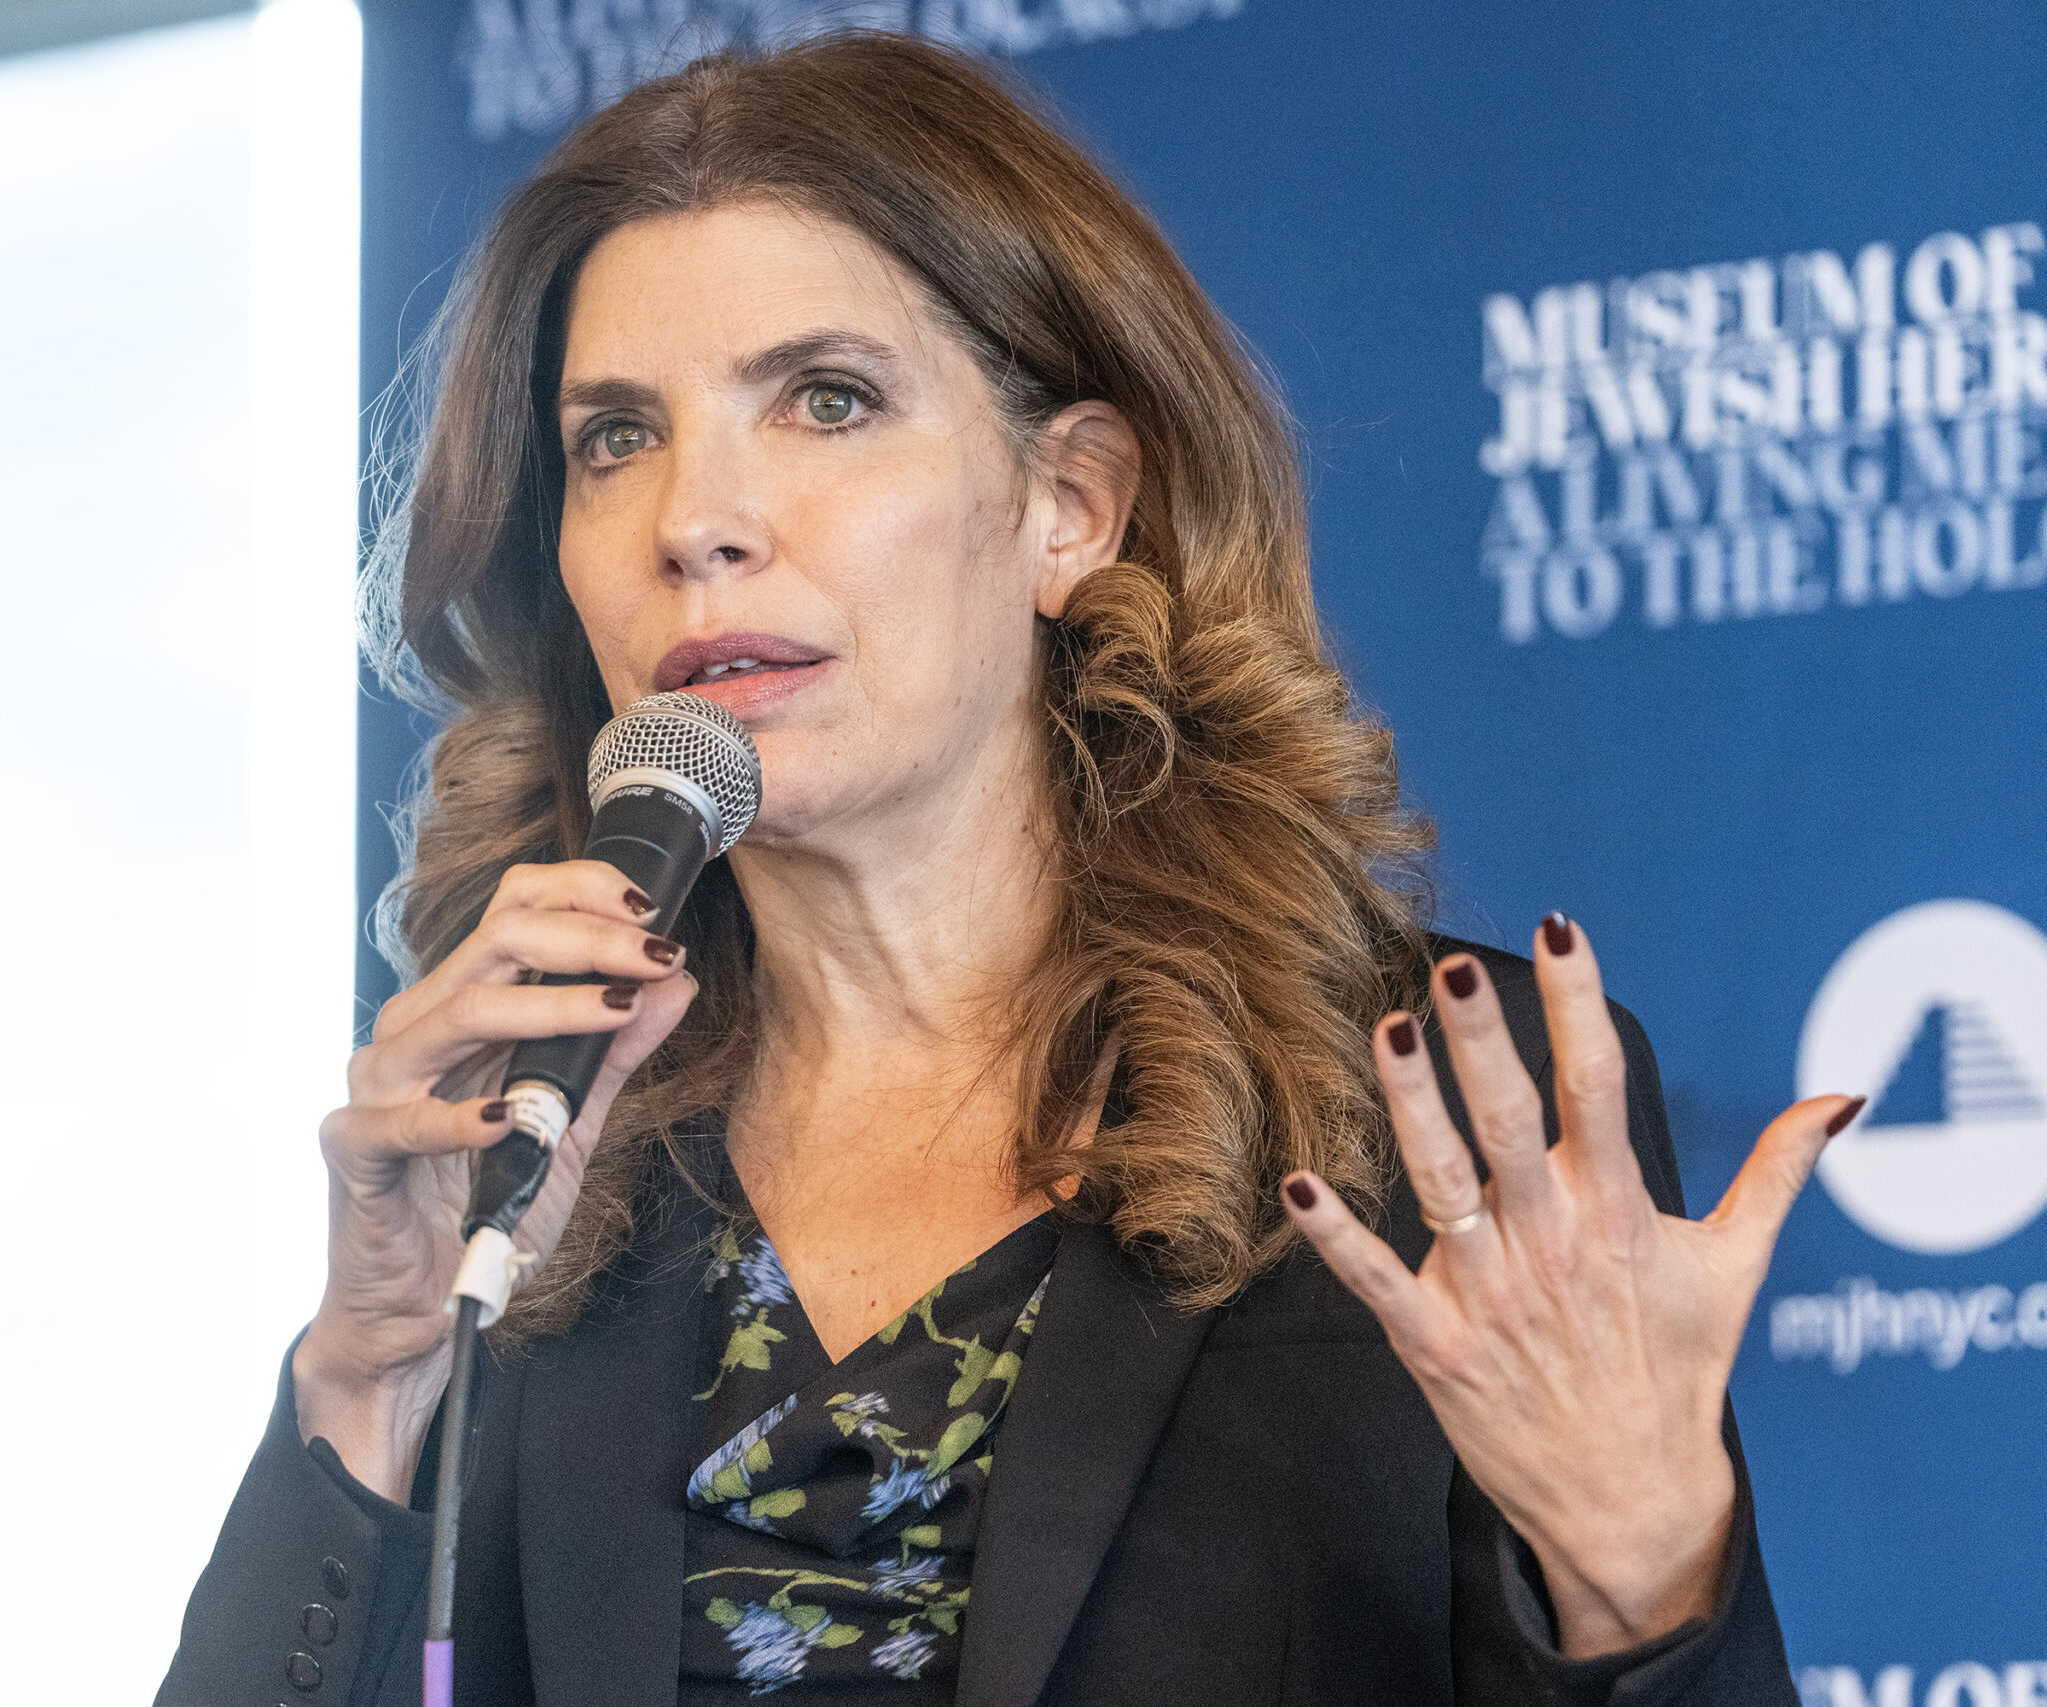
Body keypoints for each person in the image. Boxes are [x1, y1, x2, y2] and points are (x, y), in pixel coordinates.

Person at [159, 33, 1848, 1706]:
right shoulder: (529, 1160)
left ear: (1072, 506)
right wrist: (373, 1372)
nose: (695, 518)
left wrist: (1644, 1580)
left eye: (826, 401)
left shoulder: (1426, 1114)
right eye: (615, 438)